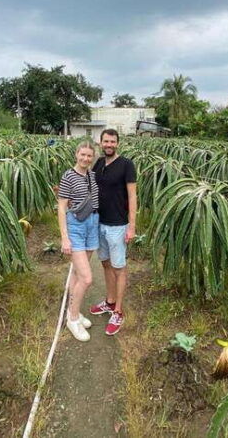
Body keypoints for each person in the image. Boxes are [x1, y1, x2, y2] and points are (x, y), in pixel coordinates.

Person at [89, 129, 137, 335]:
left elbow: (133, 196)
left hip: (117, 225)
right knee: (106, 264)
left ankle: (118, 311)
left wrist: (132, 226)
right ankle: (109, 301)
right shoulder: (99, 163)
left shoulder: (126, 165)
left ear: (118, 143)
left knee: (119, 268)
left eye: (112, 141)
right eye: (106, 141)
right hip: (100, 222)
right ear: (100, 143)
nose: (109, 144)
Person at [57, 141, 99, 342]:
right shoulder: (68, 176)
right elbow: (61, 207)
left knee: (76, 273)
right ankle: (72, 319)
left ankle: (73, 311)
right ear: (76, 154)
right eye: (82, 155)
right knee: (87, 278)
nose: (85, 159)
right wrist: (65, 237)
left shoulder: (92, 175)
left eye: (89, 156)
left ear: (93, 157)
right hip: (75, 226)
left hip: (92, 224)